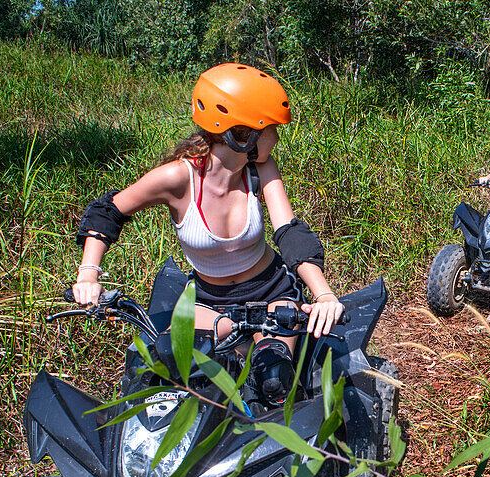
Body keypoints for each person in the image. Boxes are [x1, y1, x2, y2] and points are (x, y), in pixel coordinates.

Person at [71, 63, 345, 407]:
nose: (277, 137)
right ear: (242, 134)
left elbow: (290, 233)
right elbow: (109, 211)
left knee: (274, 379)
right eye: (271, 128)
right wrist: (88, 275)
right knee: (167, 373)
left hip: (272, 292)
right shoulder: (176, 179)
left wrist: (322, 294)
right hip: (208, 300)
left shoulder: (261, 168)